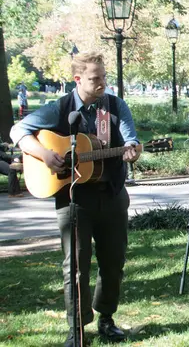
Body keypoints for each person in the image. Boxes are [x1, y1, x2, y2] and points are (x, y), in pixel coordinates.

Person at [10, 52, 140, 347]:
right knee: (76, 266)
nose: (102, 84)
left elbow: (131, 138)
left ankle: (106, 318)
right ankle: (77, 329)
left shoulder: (115, 105)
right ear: (78, 79)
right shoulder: (61, 107)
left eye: (104, 77)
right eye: (96, 79)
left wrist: (133, 148)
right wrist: (45, 154)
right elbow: (19, 130)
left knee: (113, 262)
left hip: (112, 194)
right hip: (74, 197)